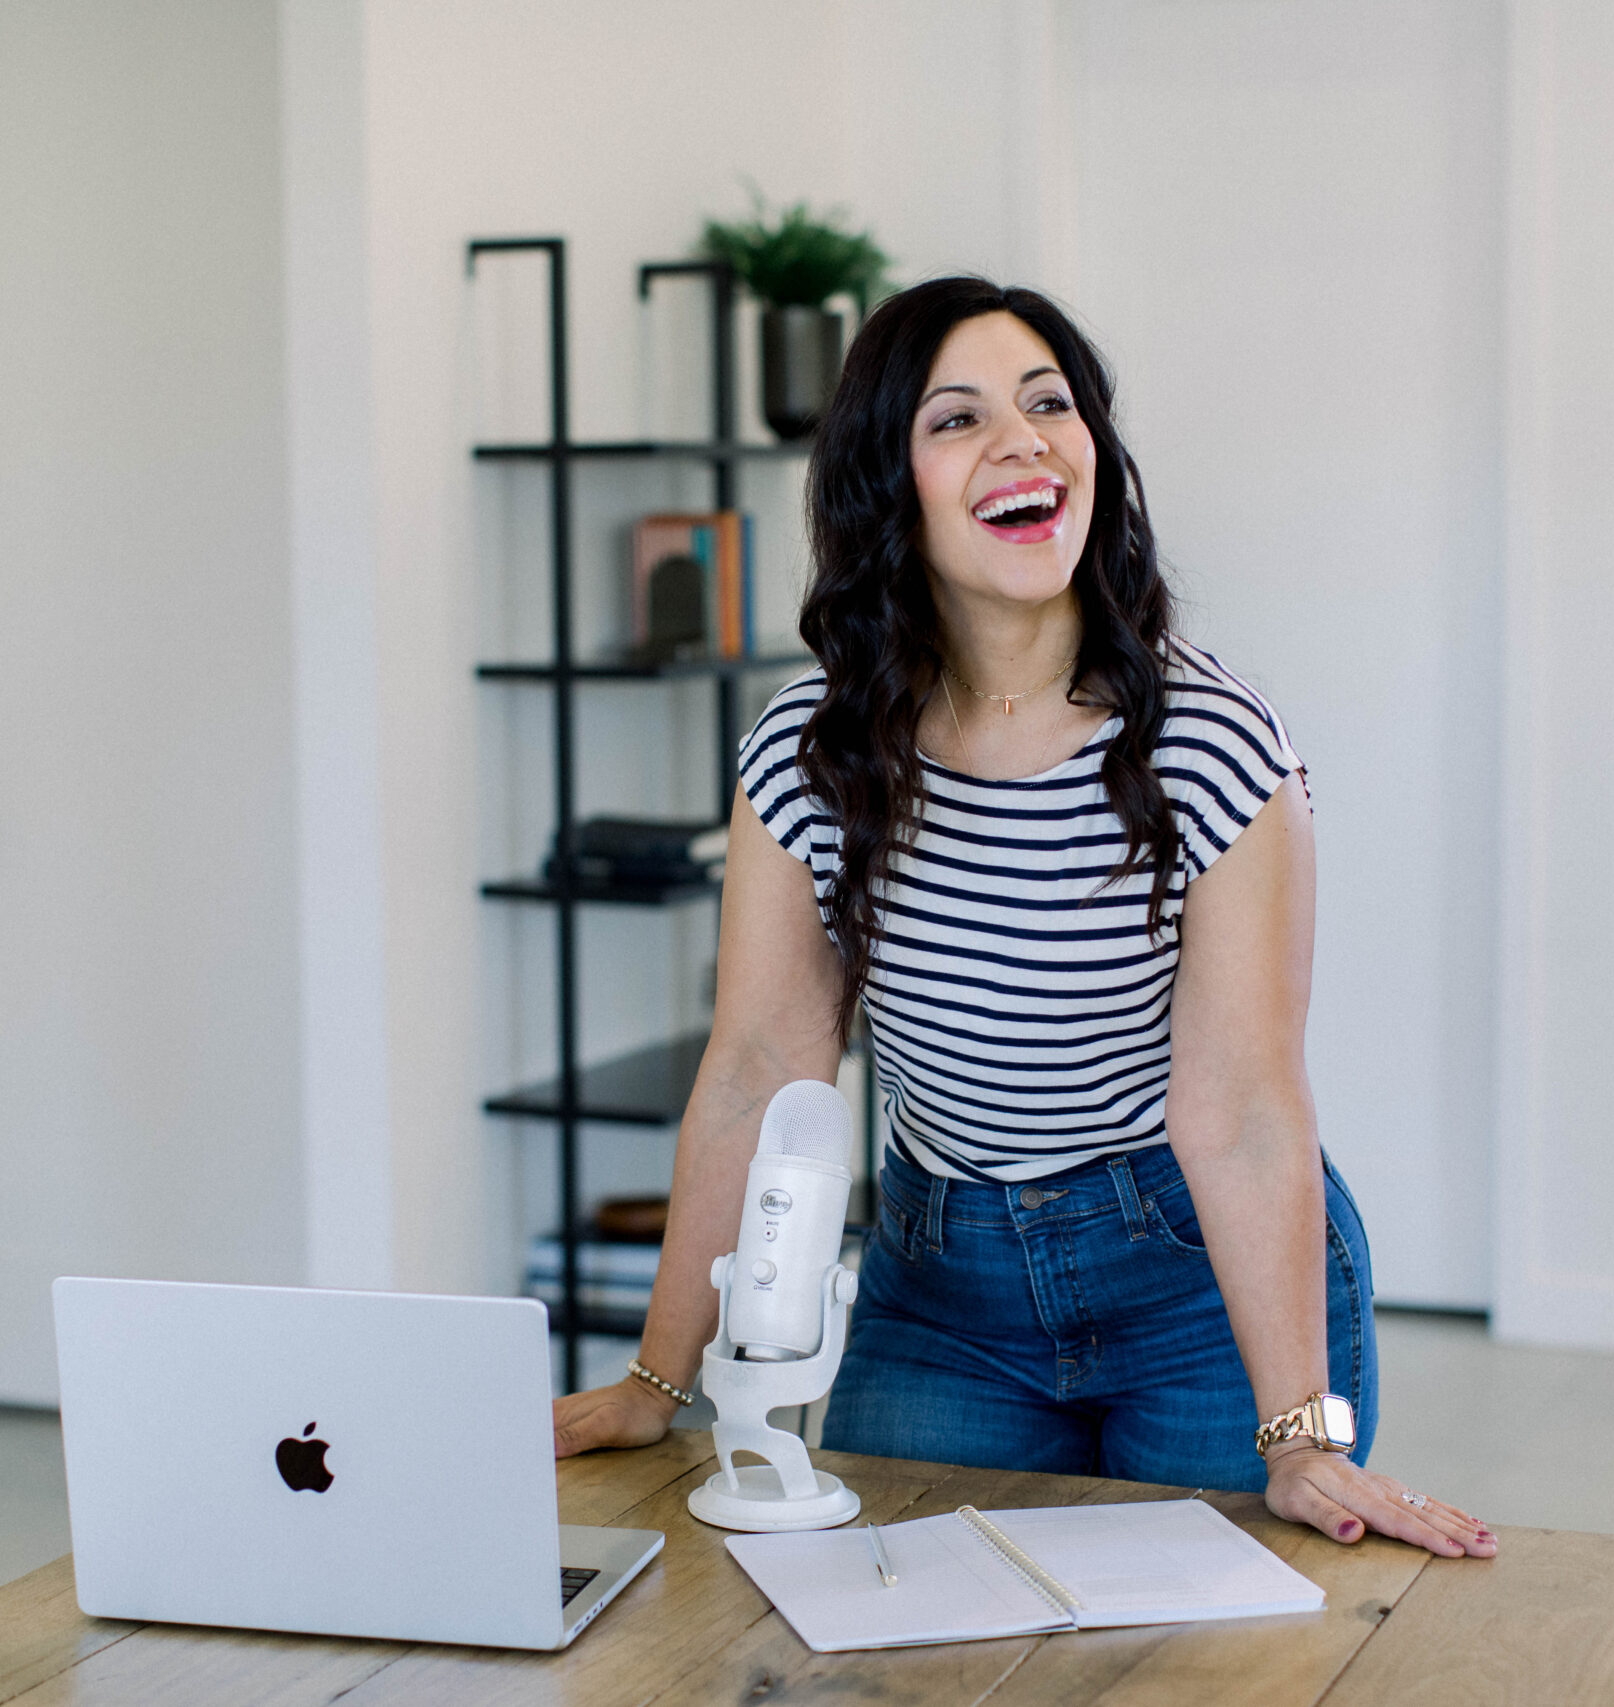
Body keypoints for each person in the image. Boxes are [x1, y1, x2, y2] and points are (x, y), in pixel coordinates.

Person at [551, 276, 1494, 1559]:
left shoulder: (1212, 743)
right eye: (957, 419)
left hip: (1193, 1287)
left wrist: (1299, 1435)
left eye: (1050, 403)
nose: (1022, 438)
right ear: (890, 485)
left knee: (1213, 1669)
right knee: (893, 1645)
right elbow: (758, 1076)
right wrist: (656, 1384)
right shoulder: (808, 752)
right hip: (940, 1292)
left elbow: (1245, 1109)